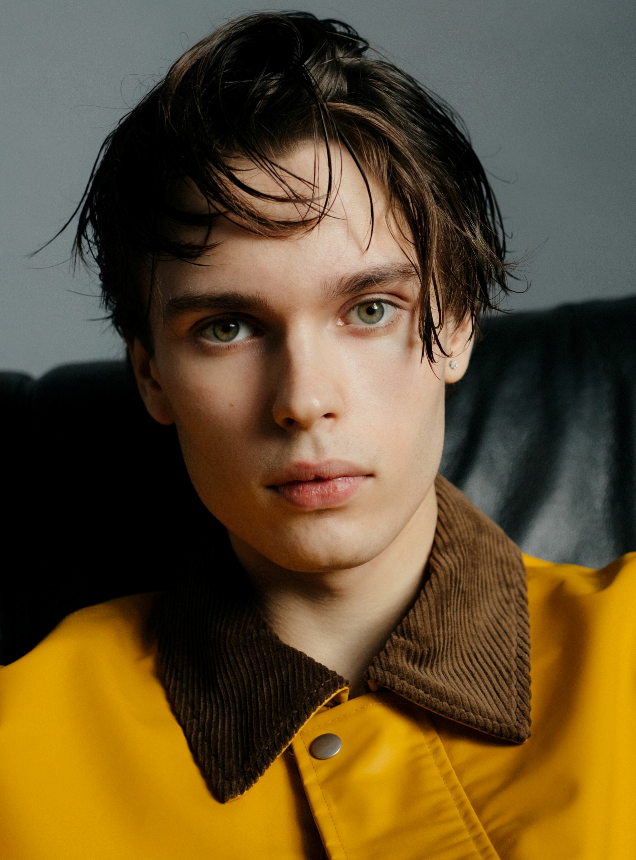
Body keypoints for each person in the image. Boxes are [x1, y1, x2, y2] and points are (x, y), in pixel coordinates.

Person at [0, 11, 633, 859]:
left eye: (370, 310)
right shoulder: (17, 752)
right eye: (226, 328)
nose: (303, 401)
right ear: (150, 374)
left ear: (457, 326)